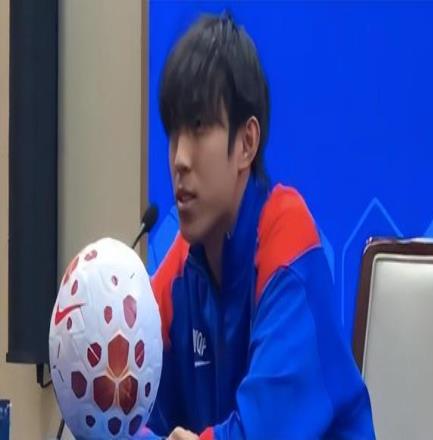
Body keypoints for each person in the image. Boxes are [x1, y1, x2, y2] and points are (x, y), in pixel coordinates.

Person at [147, 13, 375, 440]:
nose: (179, 158)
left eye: (199, 128)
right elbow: (129, 407)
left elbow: (263, 432)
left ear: (246, 144)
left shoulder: (287, 240)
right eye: (174, 132)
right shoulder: (180, 268)